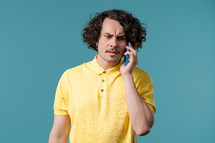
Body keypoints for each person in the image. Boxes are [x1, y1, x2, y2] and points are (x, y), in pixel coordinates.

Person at [49, 9, 156, 143]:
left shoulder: (140, 77)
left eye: (121, 38)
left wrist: (127, 75)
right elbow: (58, 135)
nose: (114, 44)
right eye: (107, 36)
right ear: (96, 40)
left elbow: (142, 128)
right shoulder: (70, 77)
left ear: (129, 45)